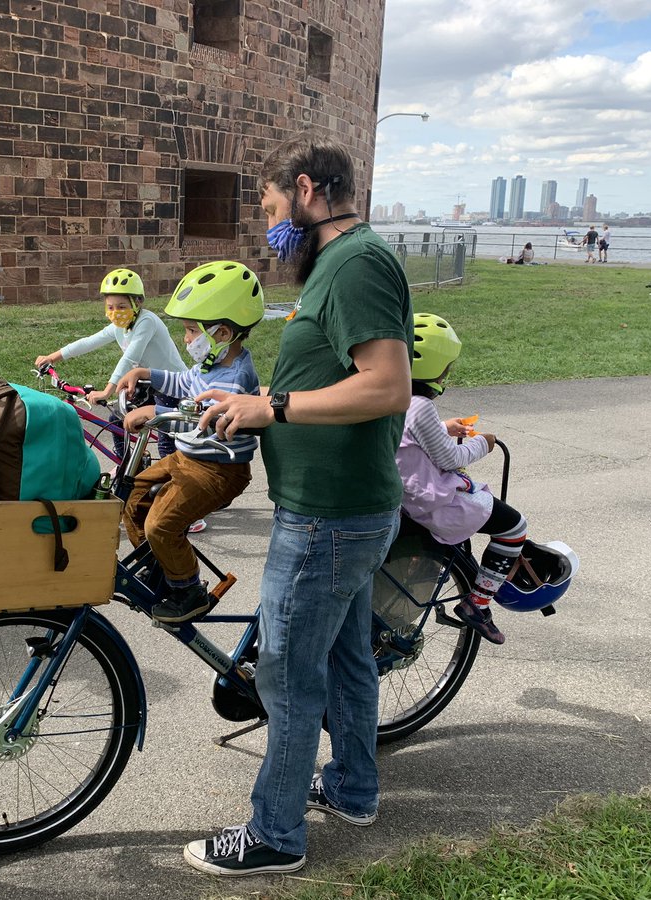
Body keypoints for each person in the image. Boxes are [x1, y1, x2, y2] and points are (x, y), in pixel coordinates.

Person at [181, 134, 412, 876]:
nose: (269, 222)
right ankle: (352, 788)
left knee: (286, 675)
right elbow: (326, 376)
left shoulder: (356, 264)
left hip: (328, 516)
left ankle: (275, 835)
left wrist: (273, 408)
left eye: (272, 205)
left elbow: (387, 385)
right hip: (339, 509)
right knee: (346, 658)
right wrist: (242, 402)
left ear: (306, 190)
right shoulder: (337, 263)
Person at [116, 261, 263, 623]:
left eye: (191, 331)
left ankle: (188, 590)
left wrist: (154, 410)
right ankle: (161, 566)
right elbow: (184, 383)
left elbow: (208, 420)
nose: (186, 339)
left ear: (222, 333)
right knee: (132, 499)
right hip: (188, 459)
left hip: (218, 470)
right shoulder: (210, 365)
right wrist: (145, 373)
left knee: (160, 524)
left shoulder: (235, 376)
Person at [396, 313, 527, 646]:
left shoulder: (391, 397)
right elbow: (450, 459)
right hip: (432, 502)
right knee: (514, 527)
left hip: (404, 498)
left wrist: (443, 427)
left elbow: (408, 437)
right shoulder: (421, 406)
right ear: (438, 368)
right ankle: (478, 603)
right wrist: (484, 442)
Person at [34, 268, 184, 459]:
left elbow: (129, 357)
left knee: (165, 444)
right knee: (116, 420)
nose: (115, 312)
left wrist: (107, 391)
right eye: (110, 307)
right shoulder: (119, 327)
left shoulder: (147, 321)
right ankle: (126, 464)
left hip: (172, 385)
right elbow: (89, 342)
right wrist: (52, 357)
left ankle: (169, 476)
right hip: (148, 384)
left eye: (122, 307)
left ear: (138, 303)